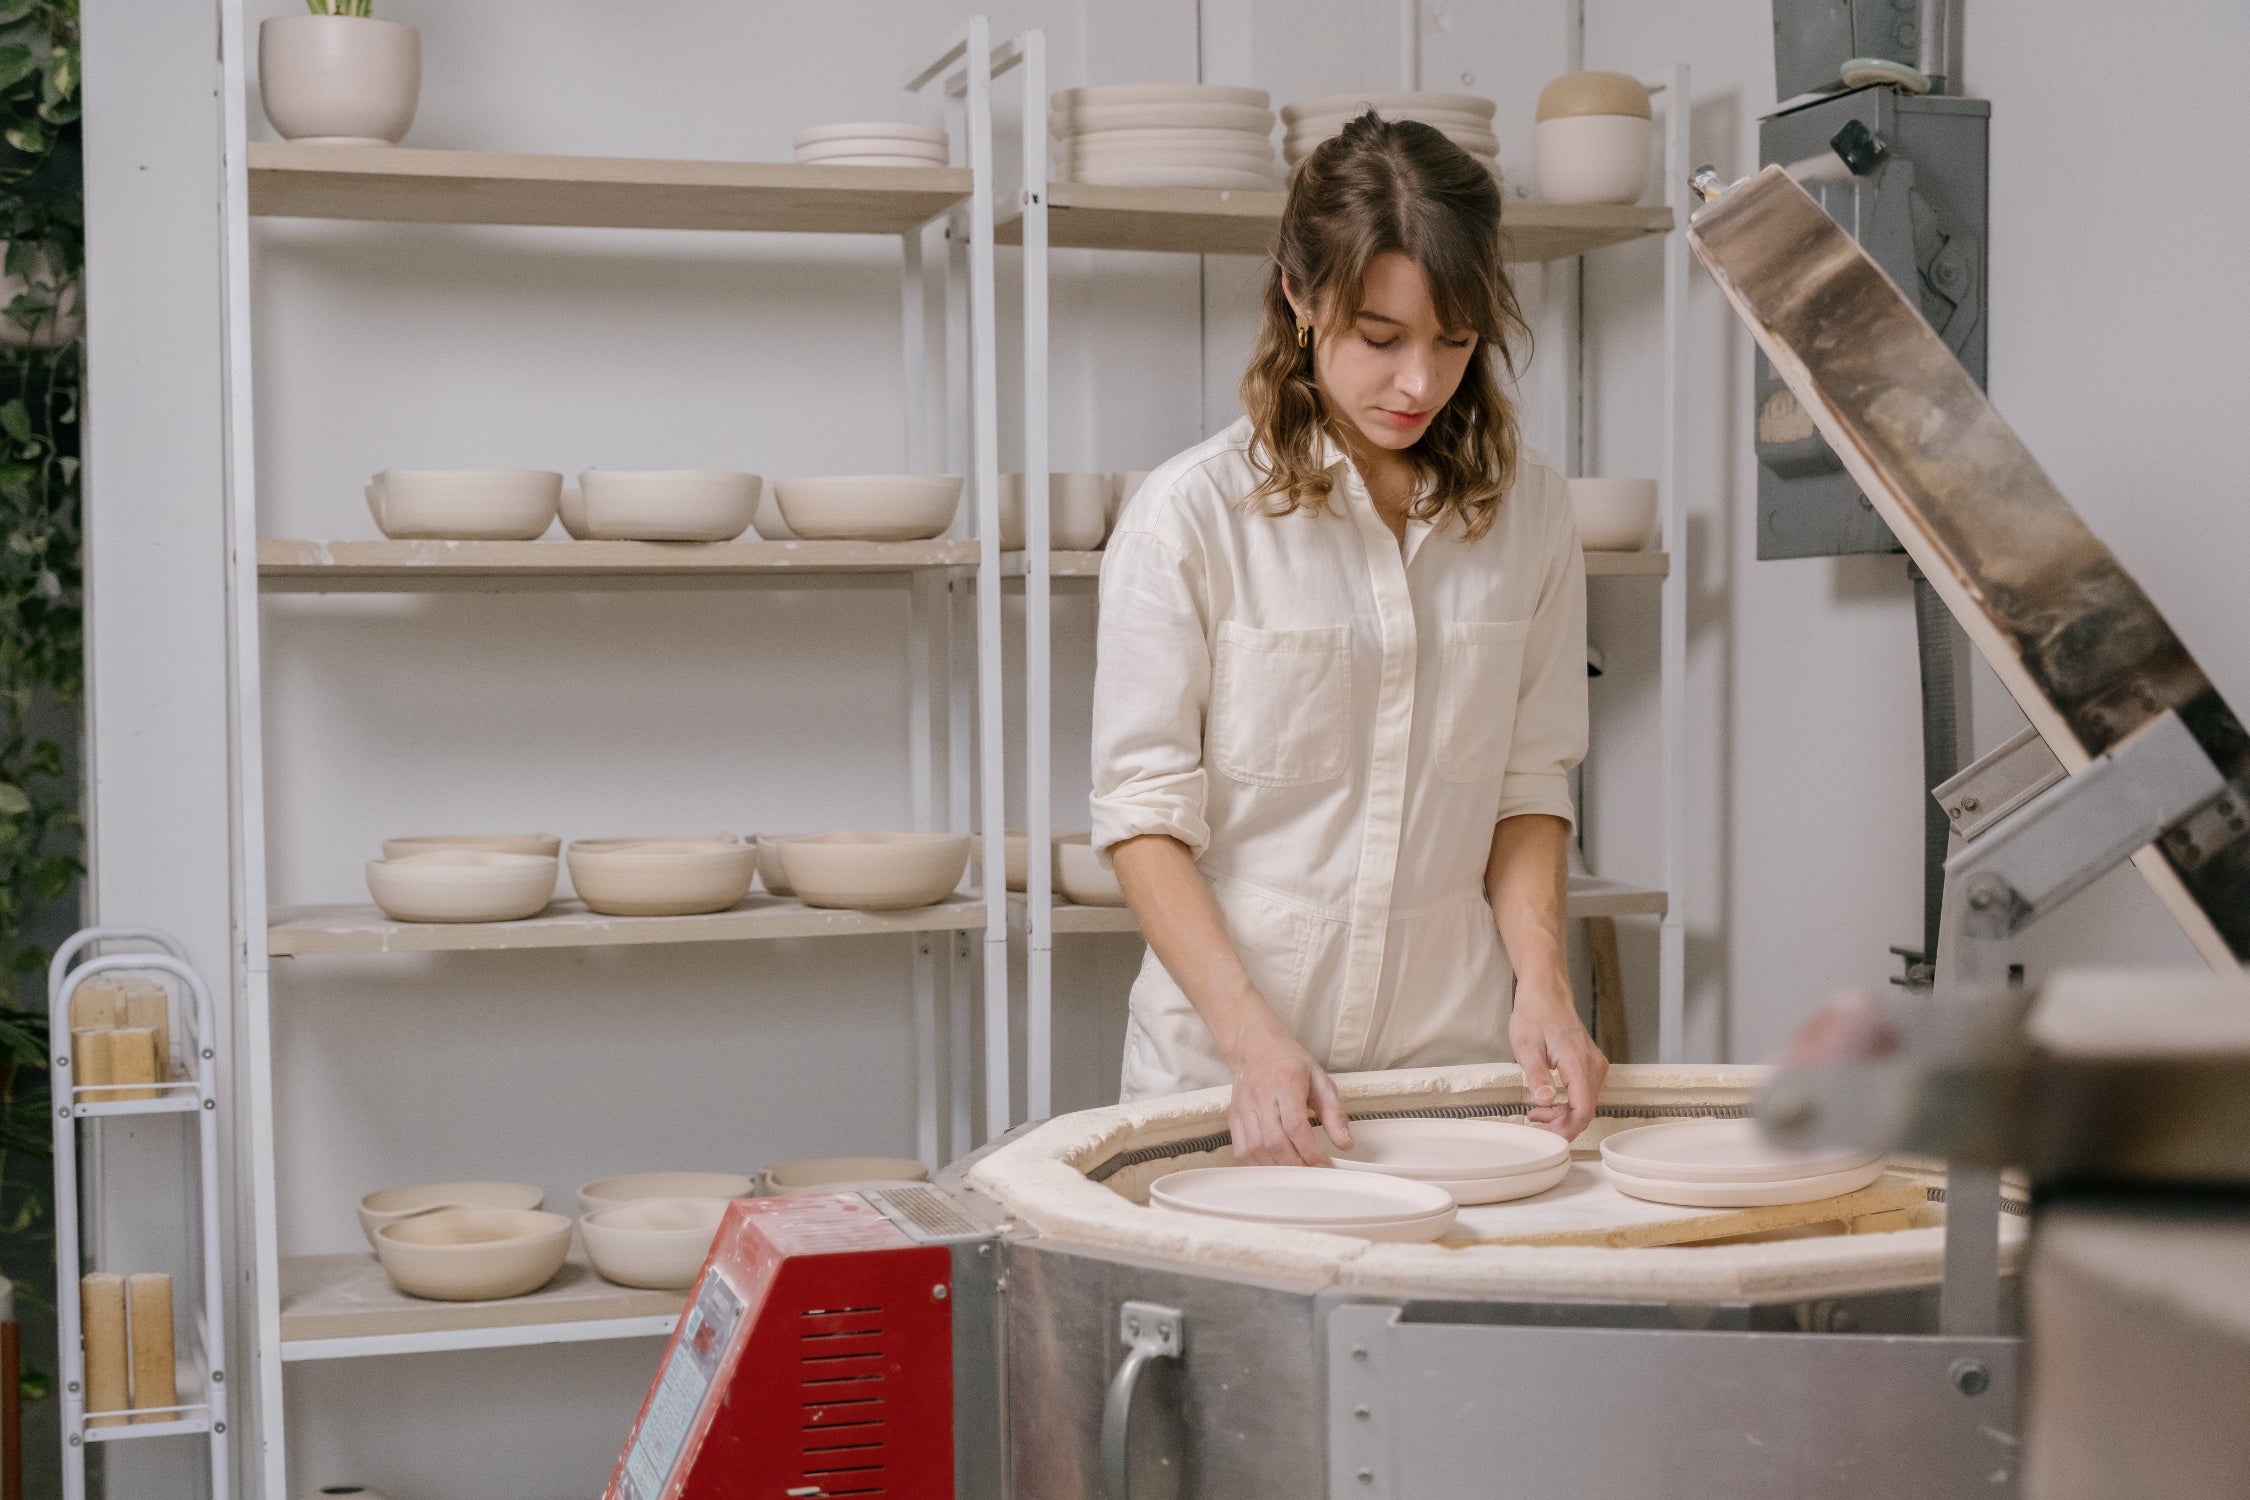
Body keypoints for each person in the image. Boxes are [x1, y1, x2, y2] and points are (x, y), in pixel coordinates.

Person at [1089, 112, 1608, 1166]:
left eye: (1454, 342)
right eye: (1381, 339)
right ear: (1299, 295)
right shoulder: (1188, 520)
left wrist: (1545, 986)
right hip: (1228, 1076)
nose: (1419, 384)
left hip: (1449, 1071)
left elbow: (1527, 785)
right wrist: (1253, 1042)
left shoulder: (1532, 517)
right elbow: (1143, 820)